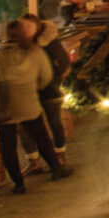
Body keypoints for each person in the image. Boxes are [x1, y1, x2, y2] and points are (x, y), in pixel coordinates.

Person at [0, 18, 70, 192]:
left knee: (8, 146)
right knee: (41, 137)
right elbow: (45, 77)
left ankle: (18, 184)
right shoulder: (35, 52)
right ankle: (56, 169)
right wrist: (31, 87)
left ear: (6, 35)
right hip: (28, 103)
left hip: (4, 105)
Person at [34, 16, 74, 158]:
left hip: (49, 89)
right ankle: (40, 158)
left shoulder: (50, 42)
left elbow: (64, 64)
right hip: (33, 90)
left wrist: (51, 78)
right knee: (38, 125)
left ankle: (59, 154)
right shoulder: (27, 43)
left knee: (54, 122)